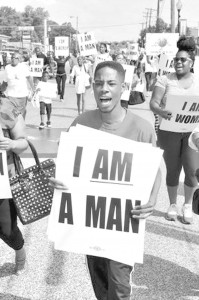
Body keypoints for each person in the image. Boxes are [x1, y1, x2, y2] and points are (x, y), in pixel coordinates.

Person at [49, 61, 161, 300]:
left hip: (123, 221)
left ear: (123, 87)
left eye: (111, 83)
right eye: (98, 83)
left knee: (119, 284)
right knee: (100, 280)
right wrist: (59, 180)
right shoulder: (81, 123)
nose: (104, 89)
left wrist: (151, 201)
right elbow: (68, 164)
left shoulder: (142, 129)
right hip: (89, 221)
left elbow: (154, 170)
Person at [150, 36, 199, 224]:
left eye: (182, 60)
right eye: (176, 59)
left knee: (192, 169)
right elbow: (153, 103)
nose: (178, 62)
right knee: (172, 169)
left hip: (192, 133)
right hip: (168, 130)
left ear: (191, 62)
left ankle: (187, 205)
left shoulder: (197, 81)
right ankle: (172, 204)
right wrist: (161, 111)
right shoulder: (165, 80)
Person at [0, 98, 28, 275]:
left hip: (4, 181)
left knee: (7, 228)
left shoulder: (7, 108)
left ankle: (20, 252)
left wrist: (12, 144)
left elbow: (23, 142)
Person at [0, 52, 34, 119]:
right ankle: (14, 127)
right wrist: (1, 90)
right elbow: (5, 82)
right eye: (12, 58)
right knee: (11, 113)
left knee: (21, 113)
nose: (13, 59)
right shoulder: (7, 67)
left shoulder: (23, 67)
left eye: (15, 58)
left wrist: (33, 88)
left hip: (22, 95)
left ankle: (21, 126)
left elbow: (29, 78)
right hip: (11, 95)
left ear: (19, 59)